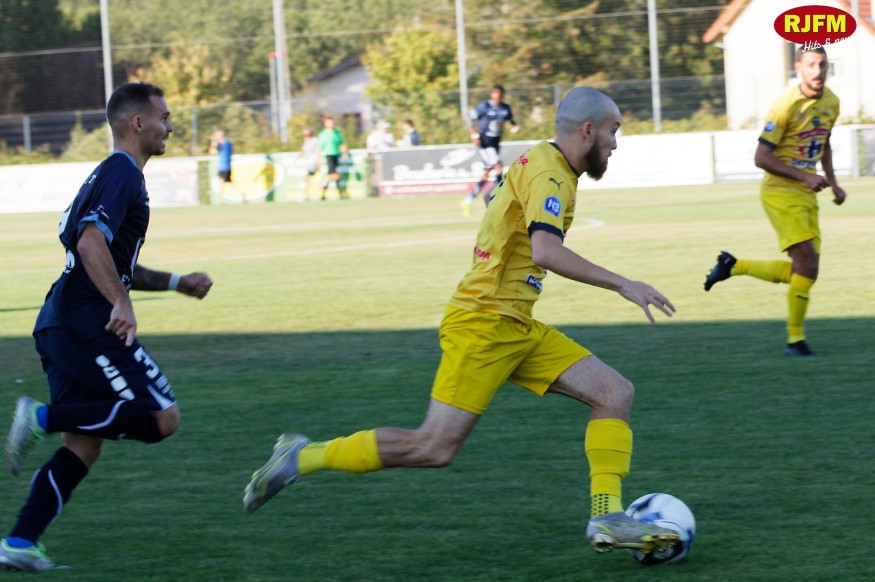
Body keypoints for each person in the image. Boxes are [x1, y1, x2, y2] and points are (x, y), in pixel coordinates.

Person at [243, 87, 680, 557]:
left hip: (514, 323)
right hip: (485, 322)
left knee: (614, 393)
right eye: (614, 130)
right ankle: (303, 455)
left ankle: (607, 515)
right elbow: (545, 251)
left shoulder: (542, 161)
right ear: (588, 130)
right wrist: (623, 284)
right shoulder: (550, 175)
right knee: (432, 448)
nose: (615, 142)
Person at [0, 83, 213, 573]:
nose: (169, 127)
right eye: (163, 117)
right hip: (86, 323)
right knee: (161, 417)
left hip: (59, 322)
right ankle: (40, 417)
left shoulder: (108, 173)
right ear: (138, 123)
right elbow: (91, 242)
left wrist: (177, 283)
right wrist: (120, 302)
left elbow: (111, 260)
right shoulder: (122, 173)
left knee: (84, 444)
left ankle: (19, 541)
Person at [703, 45, 846, 357]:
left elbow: (824, 142)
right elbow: (761, 157)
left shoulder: (832, 102)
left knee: (807, 271)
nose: (817, 71)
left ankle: (733, 266)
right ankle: (795, 341)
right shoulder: (785, 105)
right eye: (811, 65)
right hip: (780, 193)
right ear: (798, 68)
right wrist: (804, 175)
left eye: (822, 65)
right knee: (807, 265)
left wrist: (834, 183)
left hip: (806, 193)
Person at [461, 84, 519, 216]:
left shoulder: (505, 108)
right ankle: (498, 199)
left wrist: (514, 127)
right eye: (495, 95)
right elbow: (468, 117)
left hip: (495, 144)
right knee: (499, 168)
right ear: (492, 95)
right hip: (485, 144)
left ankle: (467, 201)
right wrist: (474, 135)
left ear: (502, 95)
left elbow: (512, 121)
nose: (497, 97)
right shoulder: (484, 107)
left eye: (500, 95)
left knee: (486, 174)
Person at [317, 116, 344, 201]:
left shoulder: (337, 133)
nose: (331, 124)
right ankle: (339, 193)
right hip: (329, 155)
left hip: (337, 155)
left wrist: (344, 153)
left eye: (332, 122)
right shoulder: (323, 134)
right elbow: (320, 148)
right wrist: (318, 159)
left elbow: (341, 144)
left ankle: (323, 193)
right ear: (325, 124)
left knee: (332, 175)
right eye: (329, 122)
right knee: (334, 175)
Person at [209, 129, 236, 200]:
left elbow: (212, 152)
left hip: (223, 167)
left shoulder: (223, 144)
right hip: (226, 166)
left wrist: (213, 143)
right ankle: (241, 195)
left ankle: (221, 199)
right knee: (229, 182)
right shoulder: (229, 144)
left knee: (220, 182)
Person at [300, 127, 321, 201]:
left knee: (317, 179)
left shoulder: (315, 140)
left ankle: (321, 195)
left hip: (314, 162)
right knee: (306, 179)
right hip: (307, 163)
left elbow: (318, 150)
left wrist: (317, 161)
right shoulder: (306, 141)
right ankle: (306, 195)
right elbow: (303, 151)